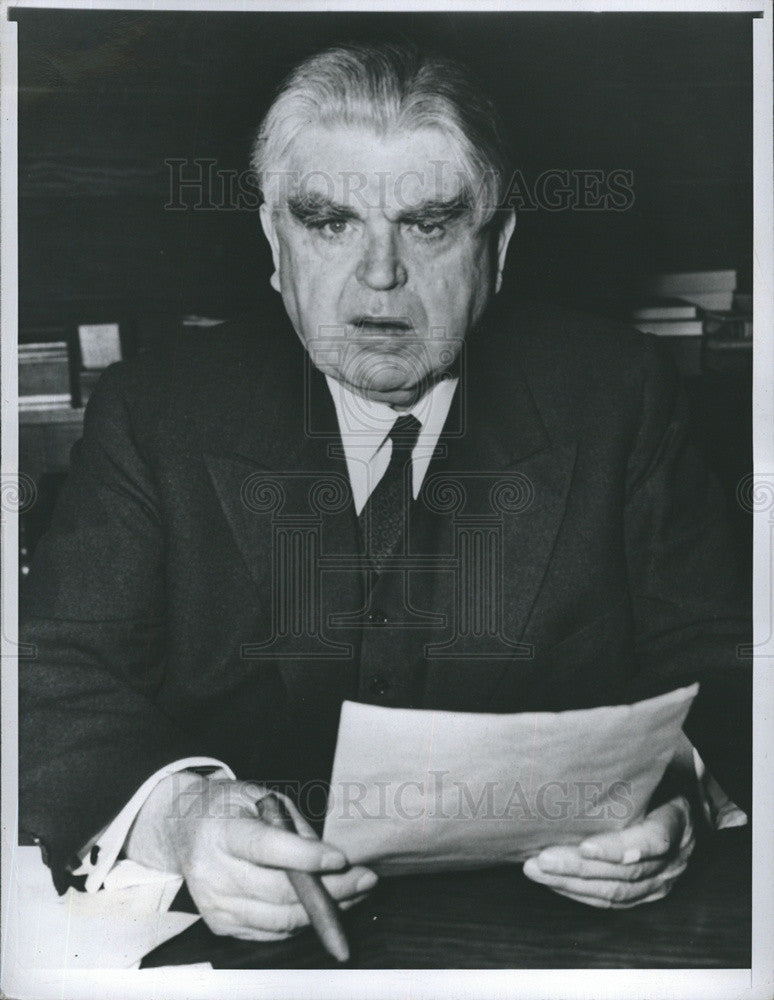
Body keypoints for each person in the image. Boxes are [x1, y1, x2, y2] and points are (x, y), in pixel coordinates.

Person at [19, 42, 750, 943]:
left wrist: (678, 794)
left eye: (429, 223)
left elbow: (729, 663)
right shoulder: (157, 412)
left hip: (557, 945)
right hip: (236, 945)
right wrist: (184, 820)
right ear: (272, 243)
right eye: (328, 222)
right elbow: (48, 675)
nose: (378, 275)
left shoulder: (618, 398)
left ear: (500, 246)